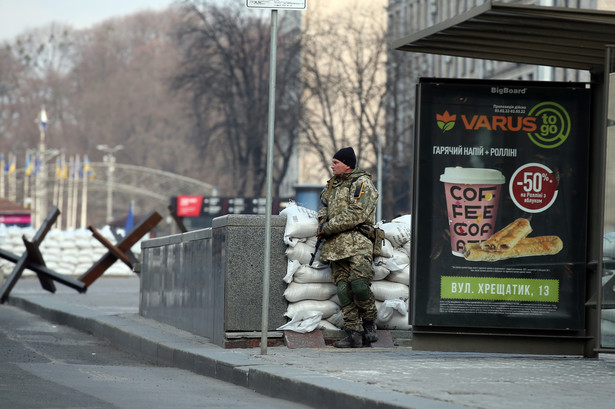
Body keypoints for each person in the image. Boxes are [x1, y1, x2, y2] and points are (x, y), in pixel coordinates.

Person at [317, 147, 379, 348]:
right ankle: (353, 332)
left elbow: (356, 214)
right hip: (335, 246)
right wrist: (321, 222)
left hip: (358, 243)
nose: (332, 166)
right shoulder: (331, 185)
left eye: (336, 163)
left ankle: (369, 323)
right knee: (343, 290)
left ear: (347, 164)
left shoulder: (361, 183)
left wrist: (327, 227)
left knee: (359, 285)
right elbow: (323, 207)